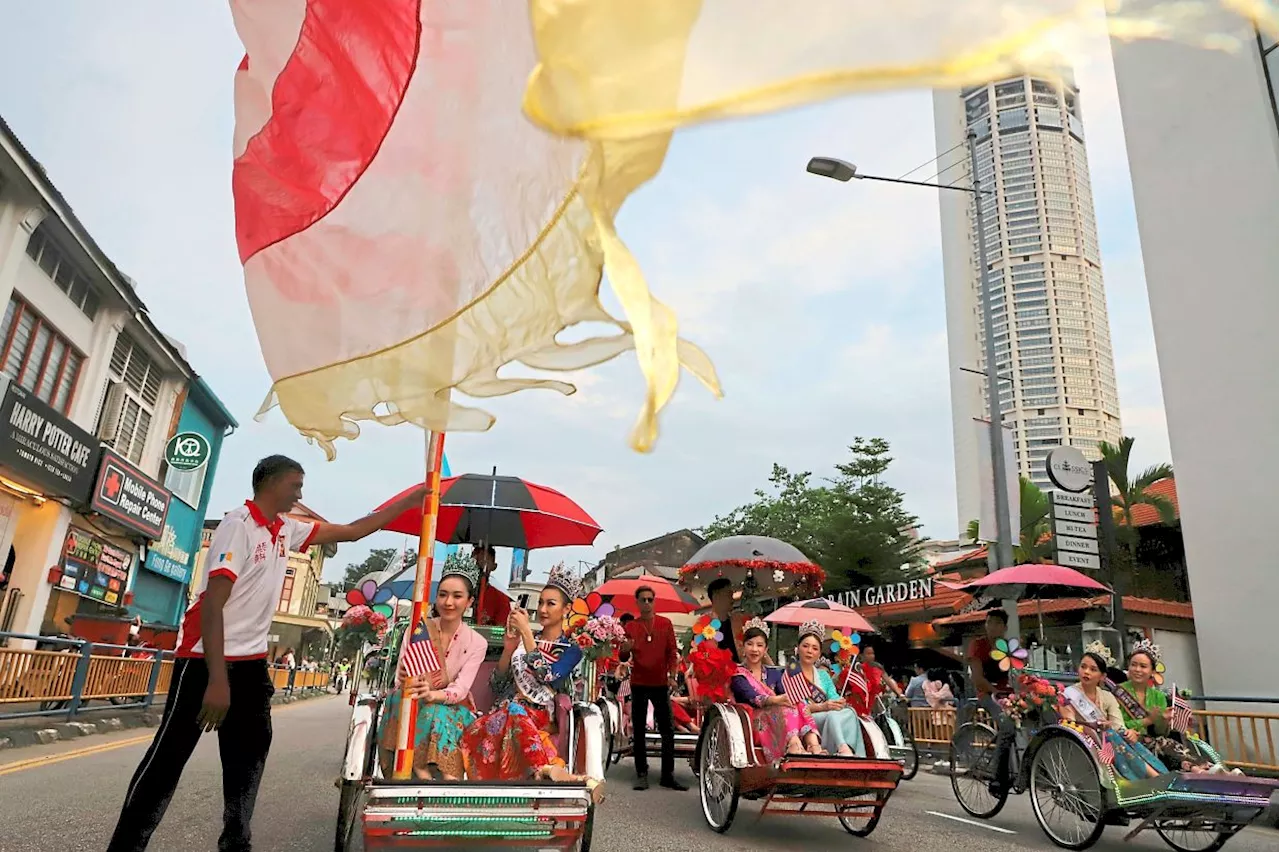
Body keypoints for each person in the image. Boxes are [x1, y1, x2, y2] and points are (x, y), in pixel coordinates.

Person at [106, 455, 430, 852]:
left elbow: (354, 531)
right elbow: (213, 606)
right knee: (167, 760)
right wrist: (218, 682)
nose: (300, 493)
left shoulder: (284, 531)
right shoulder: (236, 527)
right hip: (204, 662)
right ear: (271, 483)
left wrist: (412, 499)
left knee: (248, 760)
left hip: (251, 666)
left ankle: (236, 843)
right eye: (295, 485)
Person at [462, 566, 604, 799]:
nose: (542, 609)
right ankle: (549, 769)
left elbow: (548, 677)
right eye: (541, 603)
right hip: (503, 713)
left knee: (517, 710)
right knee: (510, 711)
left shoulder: (571, 650)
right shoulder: (522, 643)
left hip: (537, 716)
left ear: (567, 609)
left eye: (551, 604)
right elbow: (497, 686)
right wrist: (508, 650)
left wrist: (528, 635)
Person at [377, 559, 487, 780]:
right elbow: (402, 675)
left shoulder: (477, 642)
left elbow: (461, 689)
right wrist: (405, 678)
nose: (448, 602)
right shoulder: (418, 629)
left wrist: (433, 694)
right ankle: (409, 768)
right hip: (413, 698)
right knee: (399, 697)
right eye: (443, 594)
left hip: (453, 706)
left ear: (469, 601)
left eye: (457, 596)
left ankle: (437, 772)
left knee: (434, 710)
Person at [1059, 643, 1167, 781]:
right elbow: (1069, 724)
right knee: (1110, 734)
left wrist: (1130, 732)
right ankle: (1153, 777)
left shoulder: (1107, 696)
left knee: (1124, 735)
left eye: (1093, 669)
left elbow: (1118, 724)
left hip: (1108, 737)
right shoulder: (1068, 694)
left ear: (1102, 676)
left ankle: (1161, 774)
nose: (1086, 672)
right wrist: (1095, 726)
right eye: (1083, 667)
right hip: (1085, 740)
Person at [1113, 640, 1219, 773]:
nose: (1137, 670)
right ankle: (1197, 768)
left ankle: (1206, 768)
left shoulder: (1158, 696)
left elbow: (1161, 732)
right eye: (1134, 665)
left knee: (1165, 742)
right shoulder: (1117, 692)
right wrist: (1147, 721)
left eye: (1143, 666)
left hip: (1153, 741)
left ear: (1152, 671)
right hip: (1126, 739)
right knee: (1162, 743)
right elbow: (1117, 724)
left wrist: (1162, 720)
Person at [618, 585, 686, 791]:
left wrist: (673, 676)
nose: (647, 603)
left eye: (650, 599)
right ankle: (641, 773)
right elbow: (622, 656)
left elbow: (672, 651)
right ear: (637, 603)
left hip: (660, 684)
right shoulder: (631, 627)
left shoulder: (665, 624)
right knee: (638, 730)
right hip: (638, 683)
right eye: (643, 600)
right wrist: (625, 650)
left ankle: (668, 775)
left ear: (654, 601)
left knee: (668, 730)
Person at [730, 618, 822, 758]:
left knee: (799, 703)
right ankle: (794, 743)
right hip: (755, 717)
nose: (755, 649)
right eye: (750, 644)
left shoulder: (773, 672)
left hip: (778, 712)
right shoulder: (737, 673)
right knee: (784, 708)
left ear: (765, 649)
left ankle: (813, 744)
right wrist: (776, 700)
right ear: (743, 647)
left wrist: (789, 698)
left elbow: (785, 693)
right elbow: (750, 696)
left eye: (759, 645)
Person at [784, 621, 865, 756]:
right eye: (806, 646)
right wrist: (823, 706)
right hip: (806, 722)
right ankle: (842, 748)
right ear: (798, 648)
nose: (810, 651)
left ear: (819, 653)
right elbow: (794, 708)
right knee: (832, 715)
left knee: (850, 712)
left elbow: (833, 696)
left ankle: (848, 748)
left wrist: (838, 702)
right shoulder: (791, 673)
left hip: (828, 716)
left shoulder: (823, 675)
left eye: (815, 648)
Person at [967, 609, 1012, 715]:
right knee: (1006, 719)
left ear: (1005, 628)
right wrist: (996, 692)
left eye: (997, 623)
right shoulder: (977, 645)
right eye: (989, 622)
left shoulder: (1009, 646)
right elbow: (977, 678)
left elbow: (1019, 670)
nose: (992, 626)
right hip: (987, 694)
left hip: (1010, 693)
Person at [706, 578, 741, 663]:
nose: (732, 600)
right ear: (716, 596)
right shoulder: (704, 623)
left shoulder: (737, 622)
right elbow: (696, 652)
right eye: (729, 595)